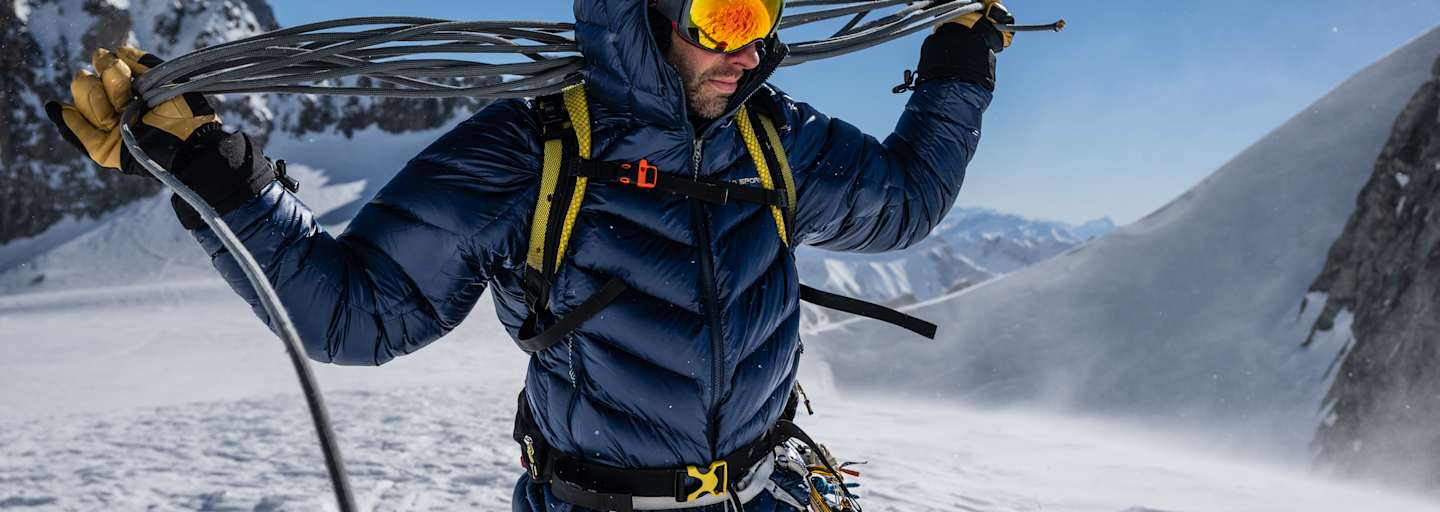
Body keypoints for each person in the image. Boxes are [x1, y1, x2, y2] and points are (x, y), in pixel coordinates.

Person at [47, 0, 1010, 509]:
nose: (745, 52)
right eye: (719, 16)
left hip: (765, 497)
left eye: (759, 17)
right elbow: (357, 314)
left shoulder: (779, 139)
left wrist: (959, 68)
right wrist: (223, 186)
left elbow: (905, 202)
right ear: (649, 10)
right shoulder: (530, 151)